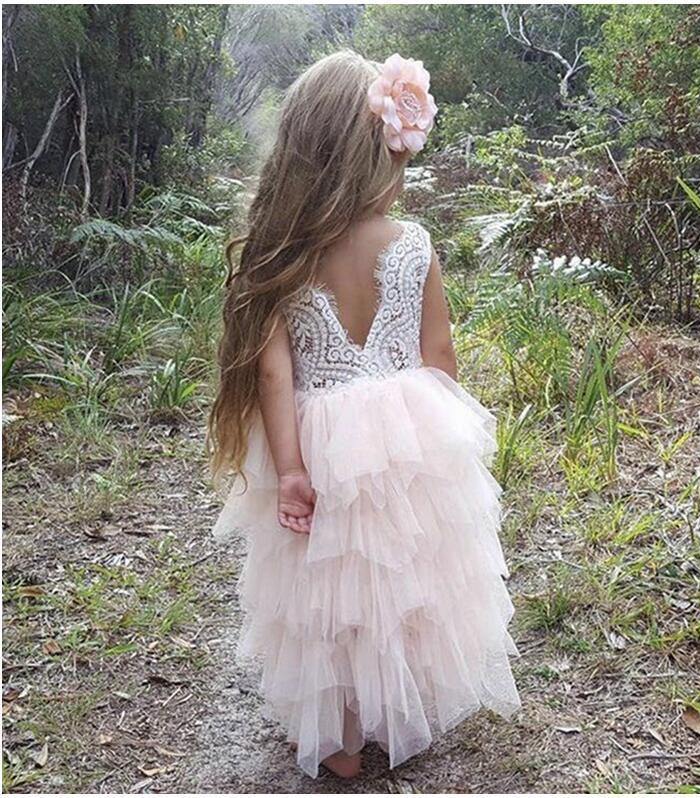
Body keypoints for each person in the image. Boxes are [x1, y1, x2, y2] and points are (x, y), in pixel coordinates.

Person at [209, 50, 520, 780]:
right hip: (403, 430)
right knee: (403, 576)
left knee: (325, 591)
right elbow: (437, 356)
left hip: (315, 438)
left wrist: (289, 469)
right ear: (382, 148)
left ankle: (340, 741)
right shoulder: (409, 243)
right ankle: (399, 703)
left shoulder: (281, 251)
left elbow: (273, 369)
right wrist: (433, 444)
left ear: (300, 148)